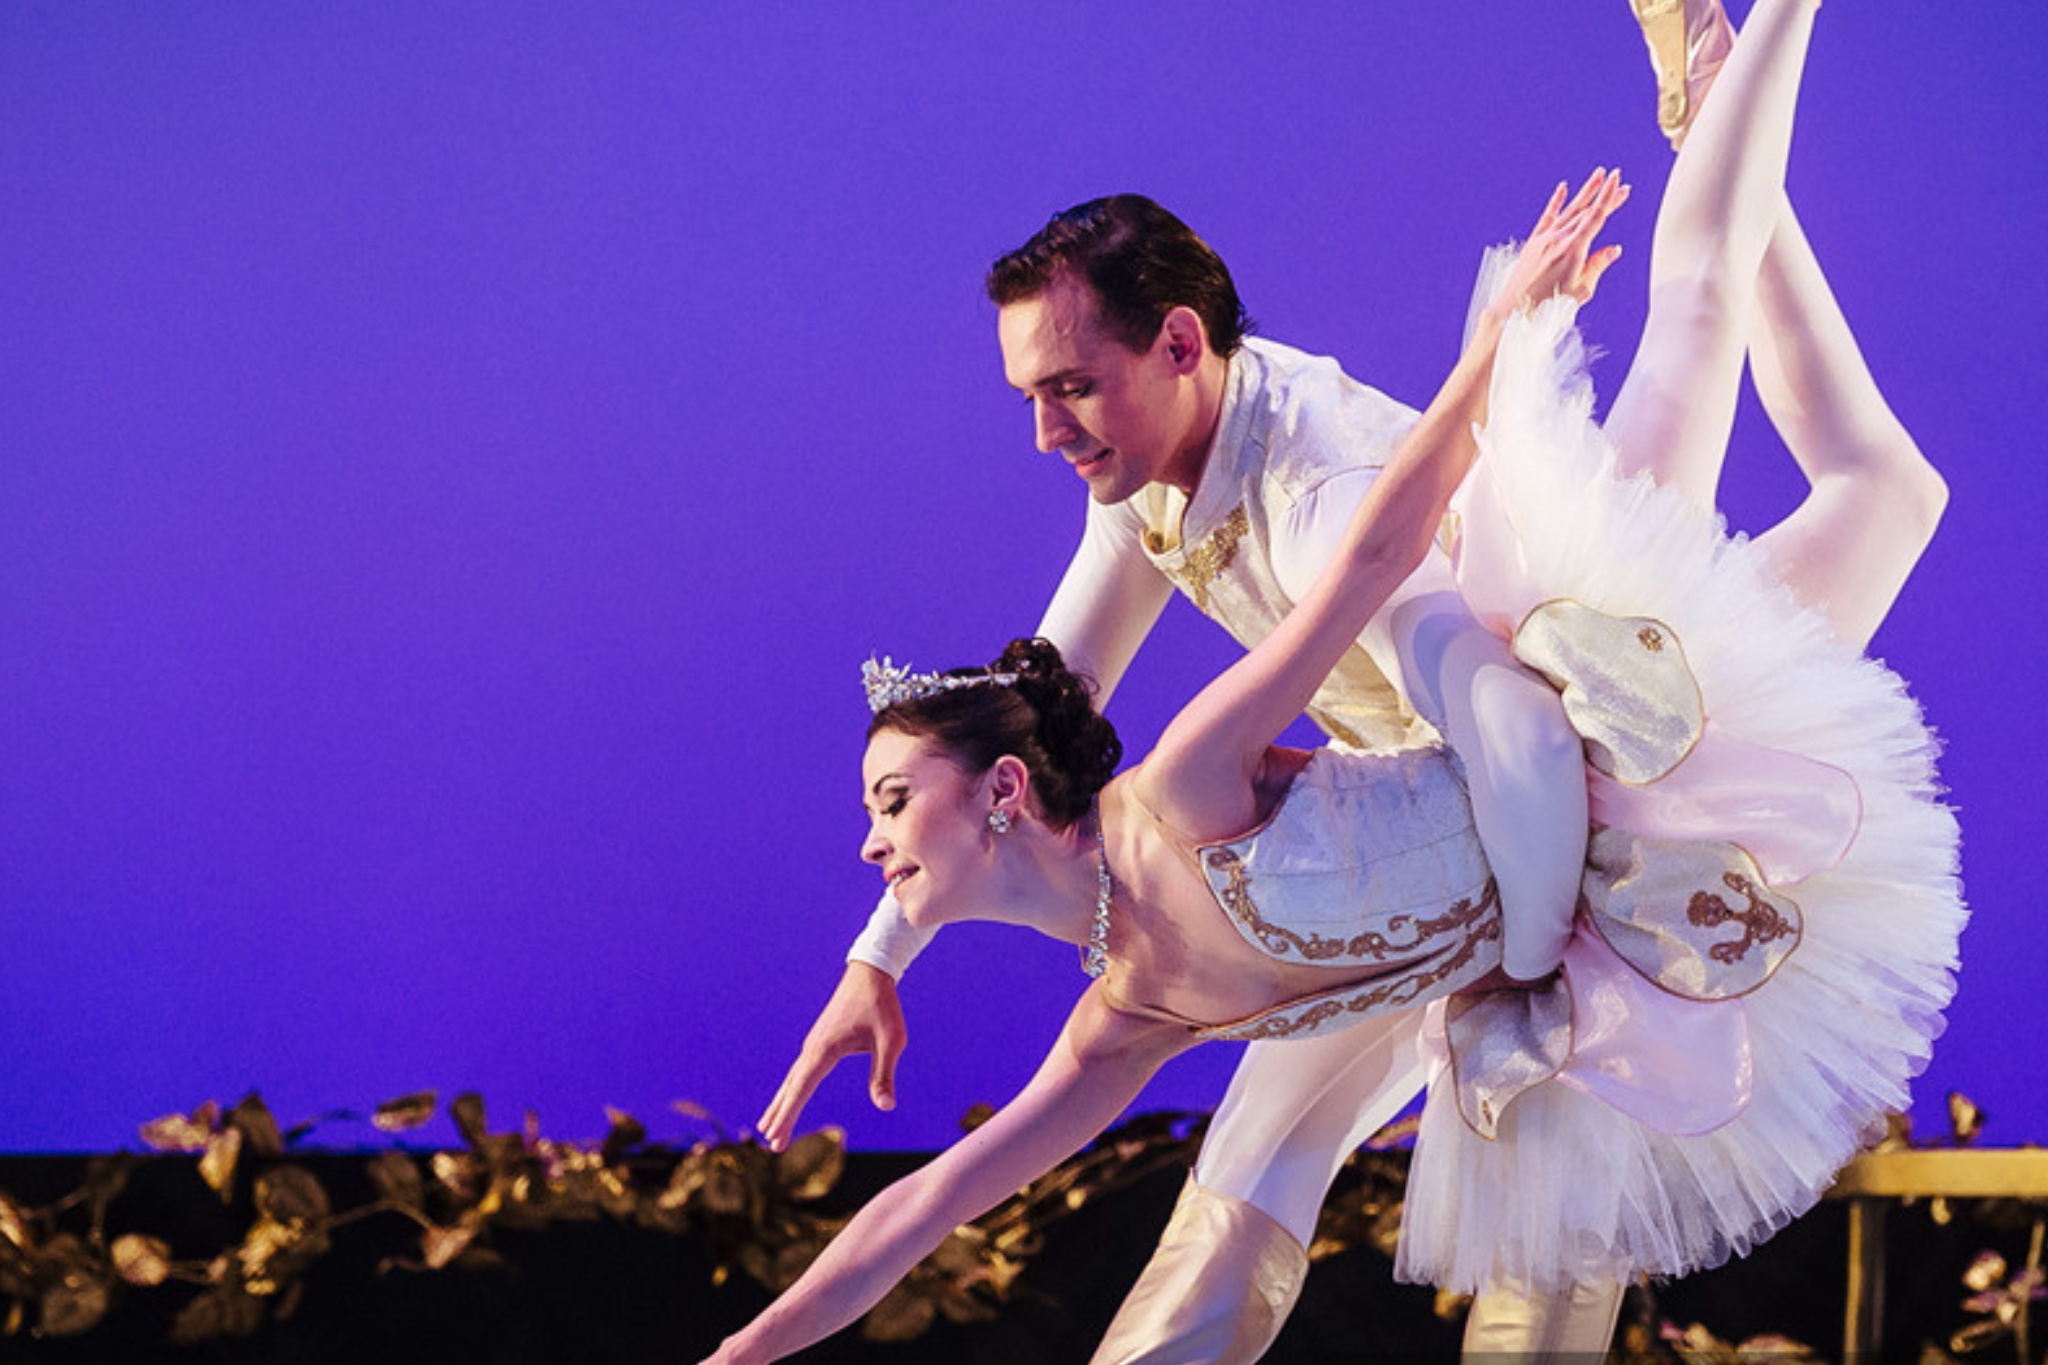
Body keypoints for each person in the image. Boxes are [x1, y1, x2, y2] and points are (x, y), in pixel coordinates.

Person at [705, 0, 1960, 1353]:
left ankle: (1729, 75)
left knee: (1747, 344)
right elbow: (1017, 717)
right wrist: (882, 952)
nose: (1045, 432)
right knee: (1889, 489)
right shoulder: (1143, 513)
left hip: (1582, 688)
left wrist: (1545, 939)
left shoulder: (1307, 497)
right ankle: (1719, 102)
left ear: (1180, 343)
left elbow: (1458, 654)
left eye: (1069, 386)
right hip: (1381, 868)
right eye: (1030, 395)